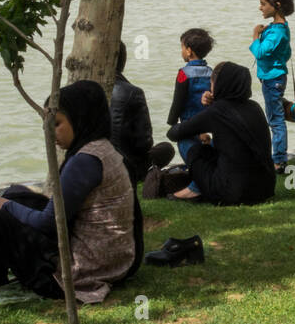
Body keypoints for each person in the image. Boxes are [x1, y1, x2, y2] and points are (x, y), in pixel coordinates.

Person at [0, 81, 142, 304]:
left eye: (57, 124)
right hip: (115, 260)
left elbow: (49, 222)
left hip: (82, 272)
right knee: (16, 193)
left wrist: (5, 206)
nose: (51, 132)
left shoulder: (84, 161)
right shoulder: (105, 148)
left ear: (79, 118)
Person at [165, 62, 276, 205]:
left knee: (185, 141)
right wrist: (213, 104)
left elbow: (174, 134)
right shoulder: (255, 107)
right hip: (263, 188)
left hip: (231, 192)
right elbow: (230, 124)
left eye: (211, 84)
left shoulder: (217, 111)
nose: (210, 88)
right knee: (219, 145)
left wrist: (195, 123)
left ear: (219, 84)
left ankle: (195, 189)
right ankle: (197, 184)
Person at [249, 0, 295, 174]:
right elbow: (287, 53)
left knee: (275, 120)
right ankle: (278, 156)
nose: (260, 7)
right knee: (275, 116)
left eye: (263, 4)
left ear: (276, 5)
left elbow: (260, 52)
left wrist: (255, 35)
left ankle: (279, 160)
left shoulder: (276, 32)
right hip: (274, 78)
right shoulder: (279, 28)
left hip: (272, 80)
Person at [166, 28, 215, 196]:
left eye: (182, 47)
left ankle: (196, 184)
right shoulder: (212, 73)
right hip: (208, 124)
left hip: (188, 124)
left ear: (189, 50)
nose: (181, 51)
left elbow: (177, 100)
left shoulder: (183, 74)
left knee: (188, 148)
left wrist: (172, 122)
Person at [110, 40, 160, 185]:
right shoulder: (133, 92)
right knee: (166, 149)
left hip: (93, 161)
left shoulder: (85, 89)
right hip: (127, 163)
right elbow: (144, 142)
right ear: (123, 61)